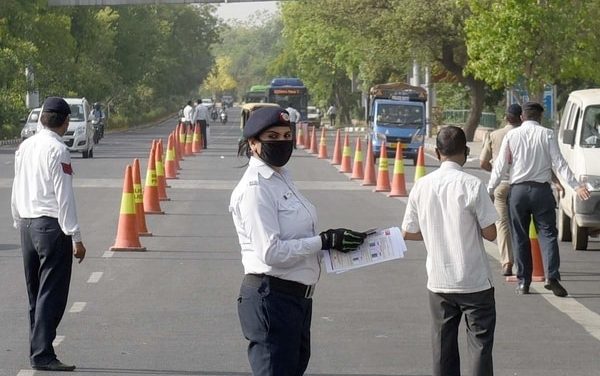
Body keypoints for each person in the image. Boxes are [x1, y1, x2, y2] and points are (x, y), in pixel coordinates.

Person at [229, 106, 366, 376]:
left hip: (297, 301)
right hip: (271, 298)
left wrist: (334, 243)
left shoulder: (282, 179)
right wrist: (323, 242)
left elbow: (301, 237)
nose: (281, 142)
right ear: (253, 143)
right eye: (272, 136)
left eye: (286, 135)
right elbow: (271, 252)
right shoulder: (255, 189)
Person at [402, 126, 498, 376]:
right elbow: (491, 233)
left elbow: (408, 232)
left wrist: (436, 231)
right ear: (466, 152)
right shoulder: (473, 185)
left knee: (443, 348)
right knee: (479, 346)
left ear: (437, 152)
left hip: (439, 281)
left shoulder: (422, 185)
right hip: (474, 281)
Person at [11, 97, 87, 372]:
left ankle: (37, 349)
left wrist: (18, 219)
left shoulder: (25, 147)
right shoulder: (58, 150)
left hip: (28, 226)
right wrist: (75, 236)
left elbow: (16, 186)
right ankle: (42, 354)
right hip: (51, 227)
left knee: (36, 294)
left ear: (42, 118)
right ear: (66, 123)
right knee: (51, 295)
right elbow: (64, 196)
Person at [487, 102, 591, 297]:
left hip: (517, 192)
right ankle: (552, 276)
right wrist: (576, 186)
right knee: (548, 234)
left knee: (520, 236)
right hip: (542, 192)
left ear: (522, 117)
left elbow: (500, 166)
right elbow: (559, 162)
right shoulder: (547, 134)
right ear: (540, 117)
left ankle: (523, 282)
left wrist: (489, 190)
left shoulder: (512, 135)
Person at [479, 103, 522, 276]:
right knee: (521, 224)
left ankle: (506, 262)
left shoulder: (494, 135)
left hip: (500, 186)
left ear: (505, 117)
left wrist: (494, 171)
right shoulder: (525, 135)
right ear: (522, 118)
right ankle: (524, 261)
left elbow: (483, 162)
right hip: (521, 185)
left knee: (502, 224)